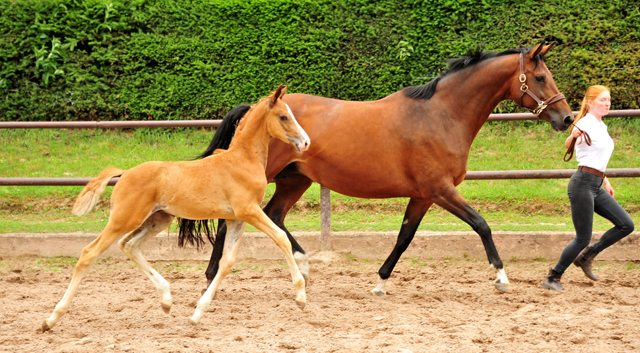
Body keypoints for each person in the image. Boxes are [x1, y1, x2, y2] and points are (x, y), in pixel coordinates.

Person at [543, 85, 635, 291]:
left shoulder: (601, 126)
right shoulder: (584, 122)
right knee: (582, 236)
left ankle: (587, 256)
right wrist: (574, 135)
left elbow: (596, 158)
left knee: (626, 224)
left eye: (608, 100)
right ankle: (552, 277)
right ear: (591, 103)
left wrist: (605, 180)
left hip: (595, 183)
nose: (607, 103)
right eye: (602, 100)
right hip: (582, 183)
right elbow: (569, 142)